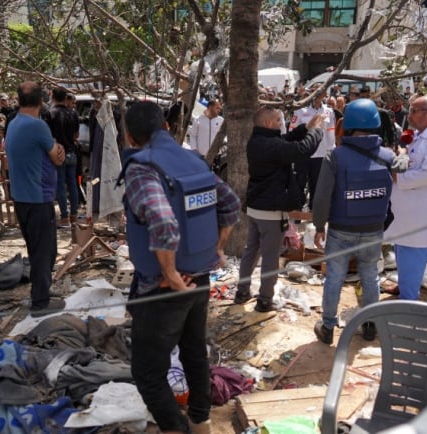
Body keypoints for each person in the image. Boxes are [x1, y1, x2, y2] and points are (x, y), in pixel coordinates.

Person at [120, 101, 239, 434]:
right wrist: (216, 248)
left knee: (147, 373)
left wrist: (170, 274)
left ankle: (177, 428)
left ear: (130, 137)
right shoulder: (192, 160)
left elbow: (163, 220)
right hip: (199, 278)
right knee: (193, 353)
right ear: (167, 128)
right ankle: (200, 422)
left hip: (164, 288)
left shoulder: (141, 168)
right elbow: (230, 202)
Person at [311, 99, 408, 344]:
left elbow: (321, 196)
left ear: (349, 123)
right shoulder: (387, 155)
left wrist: (319, 225)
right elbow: (403, 166)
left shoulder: (335, 156)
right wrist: (404, 154)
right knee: (370, 276)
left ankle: (328, 326)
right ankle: (370, 325)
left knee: (334, 277)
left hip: (340, 230)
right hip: (374, 230)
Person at [234, 107, 325, 312]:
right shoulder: (271, 145)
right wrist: (317, 131)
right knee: (270, 258)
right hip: (271, 212)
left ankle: (242, 292)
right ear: (268, 124)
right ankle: (265, 300)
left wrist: (305, 127)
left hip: (256, 208)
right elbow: (302, 150)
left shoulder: (258, 141)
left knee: (251, 252)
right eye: (278, 120)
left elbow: (285, 140)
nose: (281, 123)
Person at [381, 95, 427, 300]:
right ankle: (404, 285)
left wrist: (398, 177)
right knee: (401, 247)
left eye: (413, 111)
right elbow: (409, 161)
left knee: (413, 251)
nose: (409, 114)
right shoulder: (418, 134)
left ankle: (408, 299)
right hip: (404, 206)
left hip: (418, 207)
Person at [5, 82, 66, 317]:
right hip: (38, 198)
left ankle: (41, 291)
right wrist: (57, 149)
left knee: (38, 249)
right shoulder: (37, 126)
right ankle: (40, 302)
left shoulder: (14, 123)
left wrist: (55, 150)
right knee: (45, 251)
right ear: (41, 101)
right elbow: (58, 158)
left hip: (22, 198)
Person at [289, 89, 336, 209]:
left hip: (320, 154)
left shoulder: (329, 111)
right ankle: (297, 209)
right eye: (316, 93)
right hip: (303, 153)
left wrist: (331, 151)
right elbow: (292, 131)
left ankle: (314, 211)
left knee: (317, 184)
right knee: (299, 183)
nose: (319, 96)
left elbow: (331, 133)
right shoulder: (300, 110)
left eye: (322, 93)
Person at [43, 88, 80, 226]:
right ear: (66, 99)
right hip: (71, 152)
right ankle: (74, 215)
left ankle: (64, 217)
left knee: (60, 186)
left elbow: (47, 136)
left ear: (53, 97)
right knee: (73, 184)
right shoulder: (73, 113)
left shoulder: (50, 113)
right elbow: (76, 135)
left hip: (57, 153)